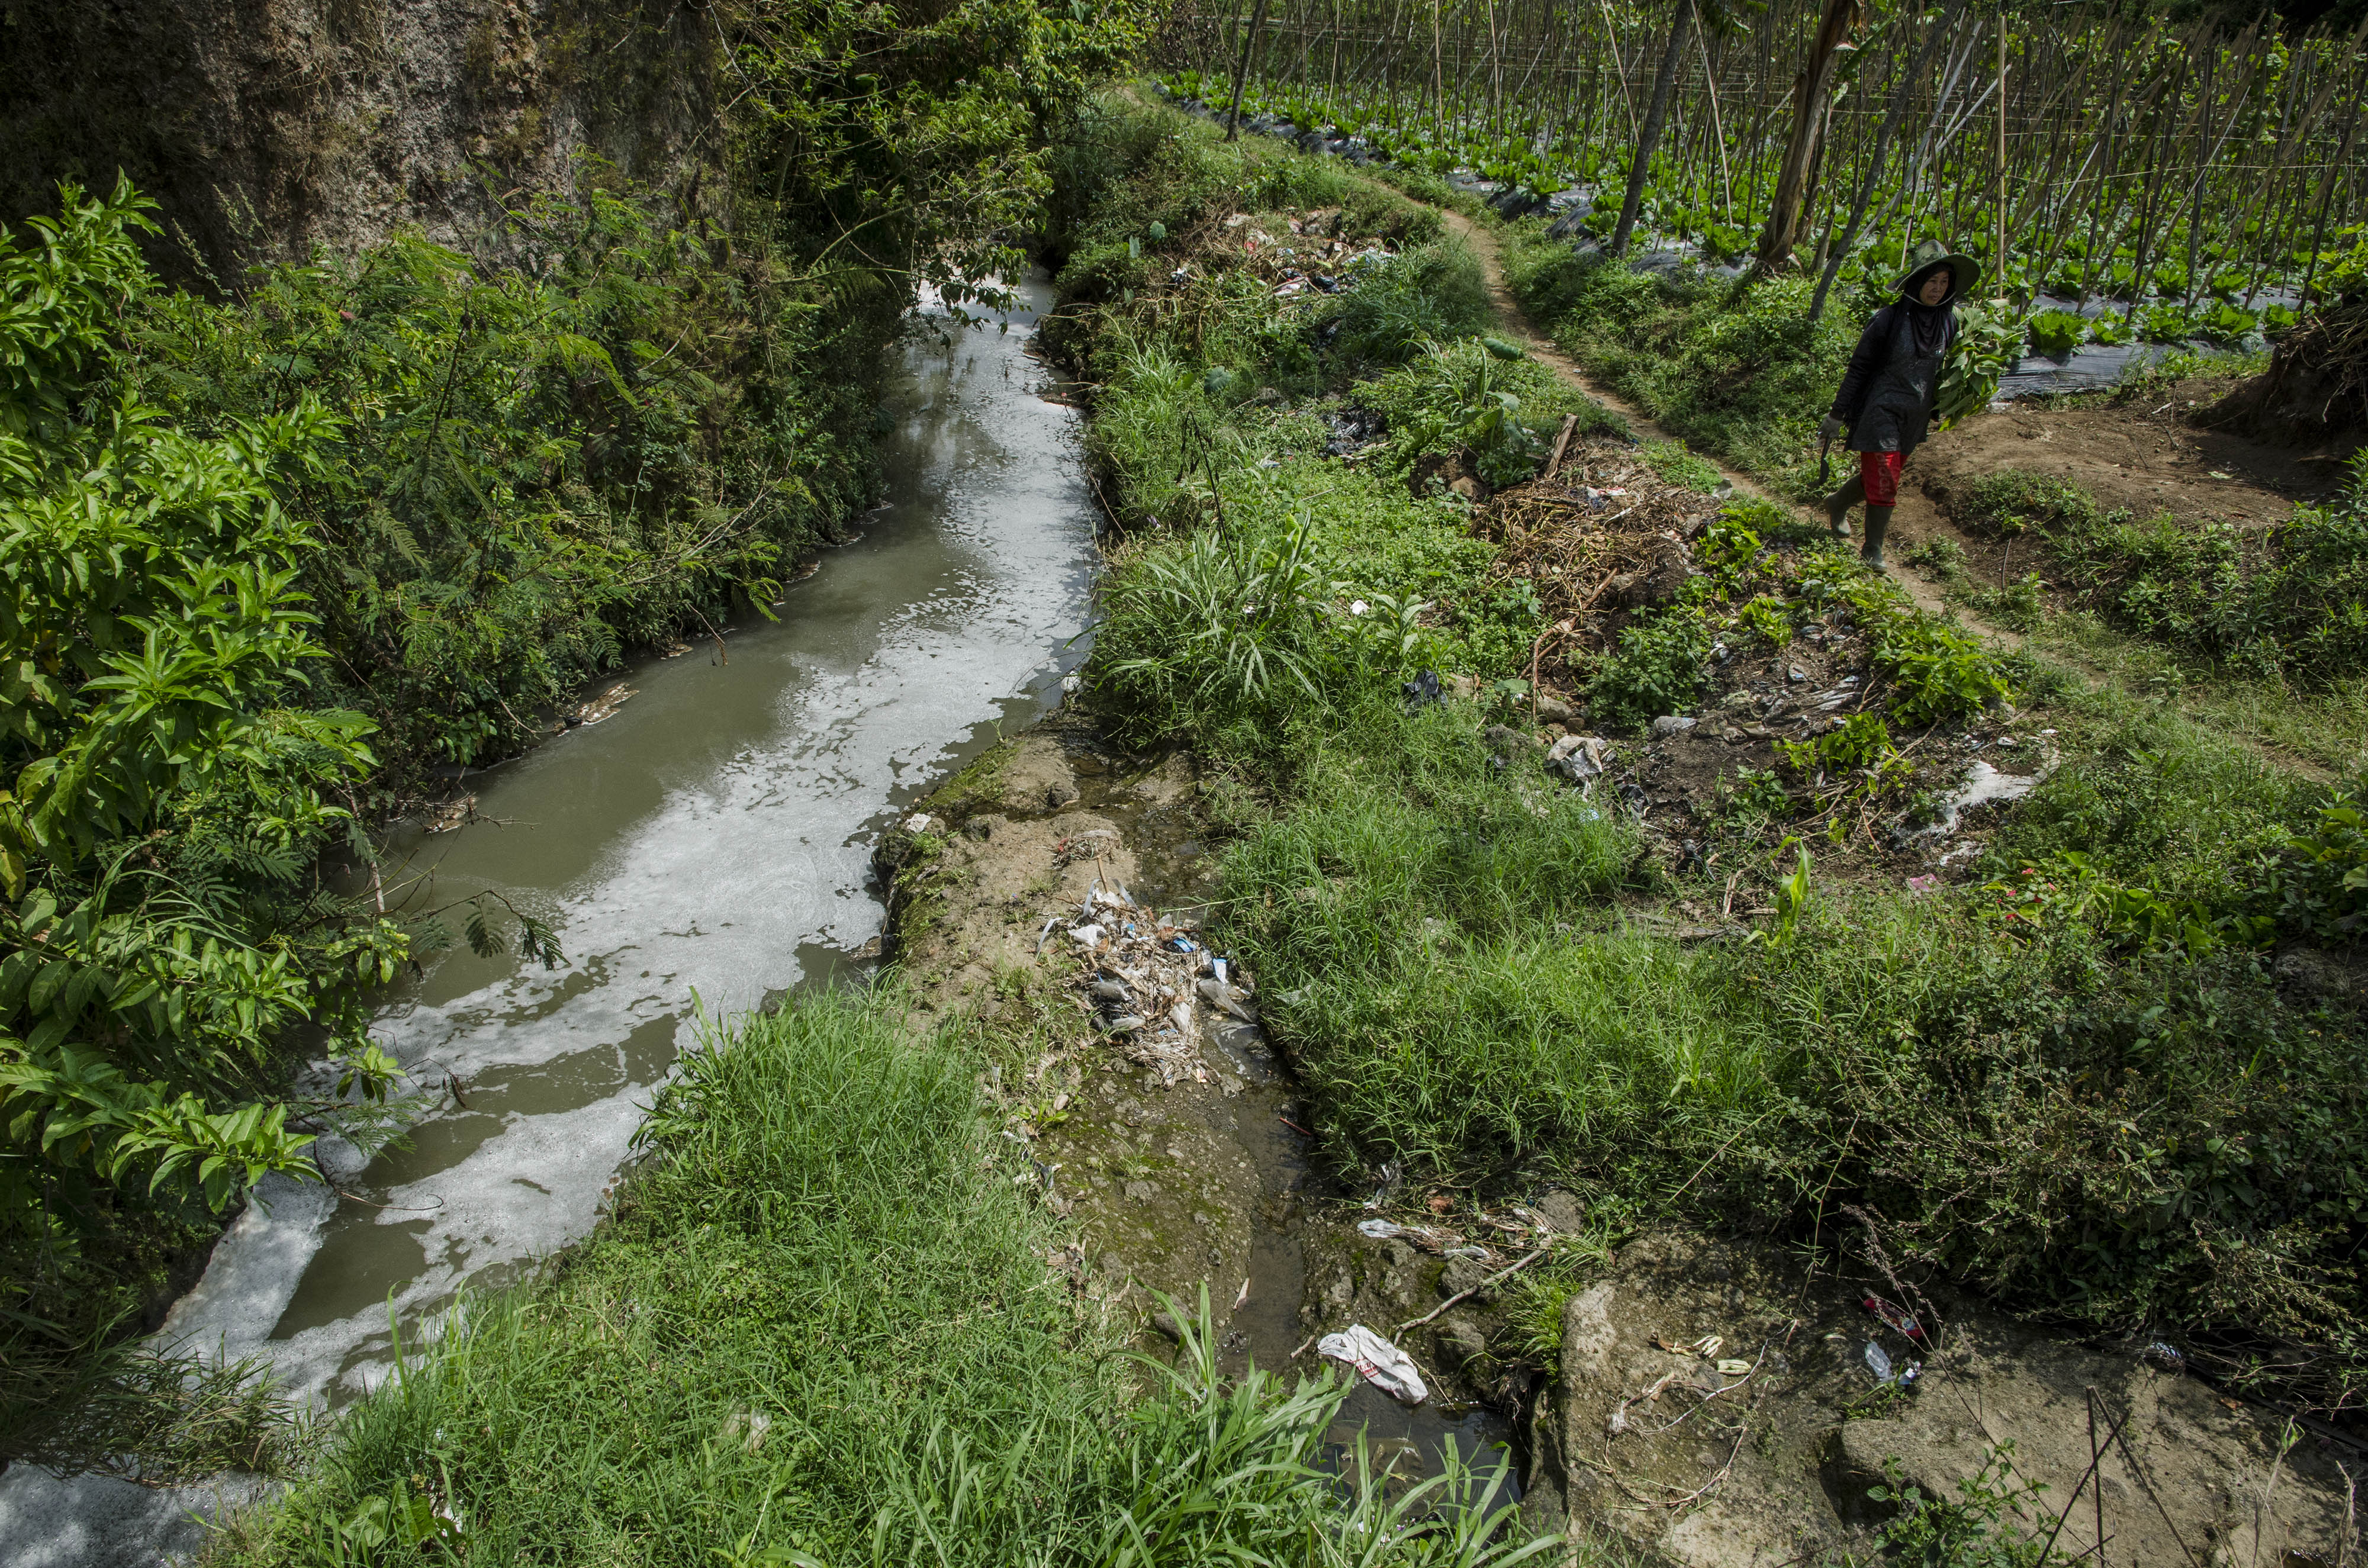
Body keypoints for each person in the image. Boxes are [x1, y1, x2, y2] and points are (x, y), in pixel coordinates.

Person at [1819, 239, 1980, 570]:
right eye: (1931, 281)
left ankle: (1837, 502)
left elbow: (1942, 371)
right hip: (1880, 409)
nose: (1937, 289)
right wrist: (1837, 414)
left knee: (1881, 473)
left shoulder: (1948, 323)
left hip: (1914, 415)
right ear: (1917, 283)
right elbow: (1859, 368)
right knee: (1886, 476)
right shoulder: (1889, 320)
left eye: (1944, 282)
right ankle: (1873, 549)